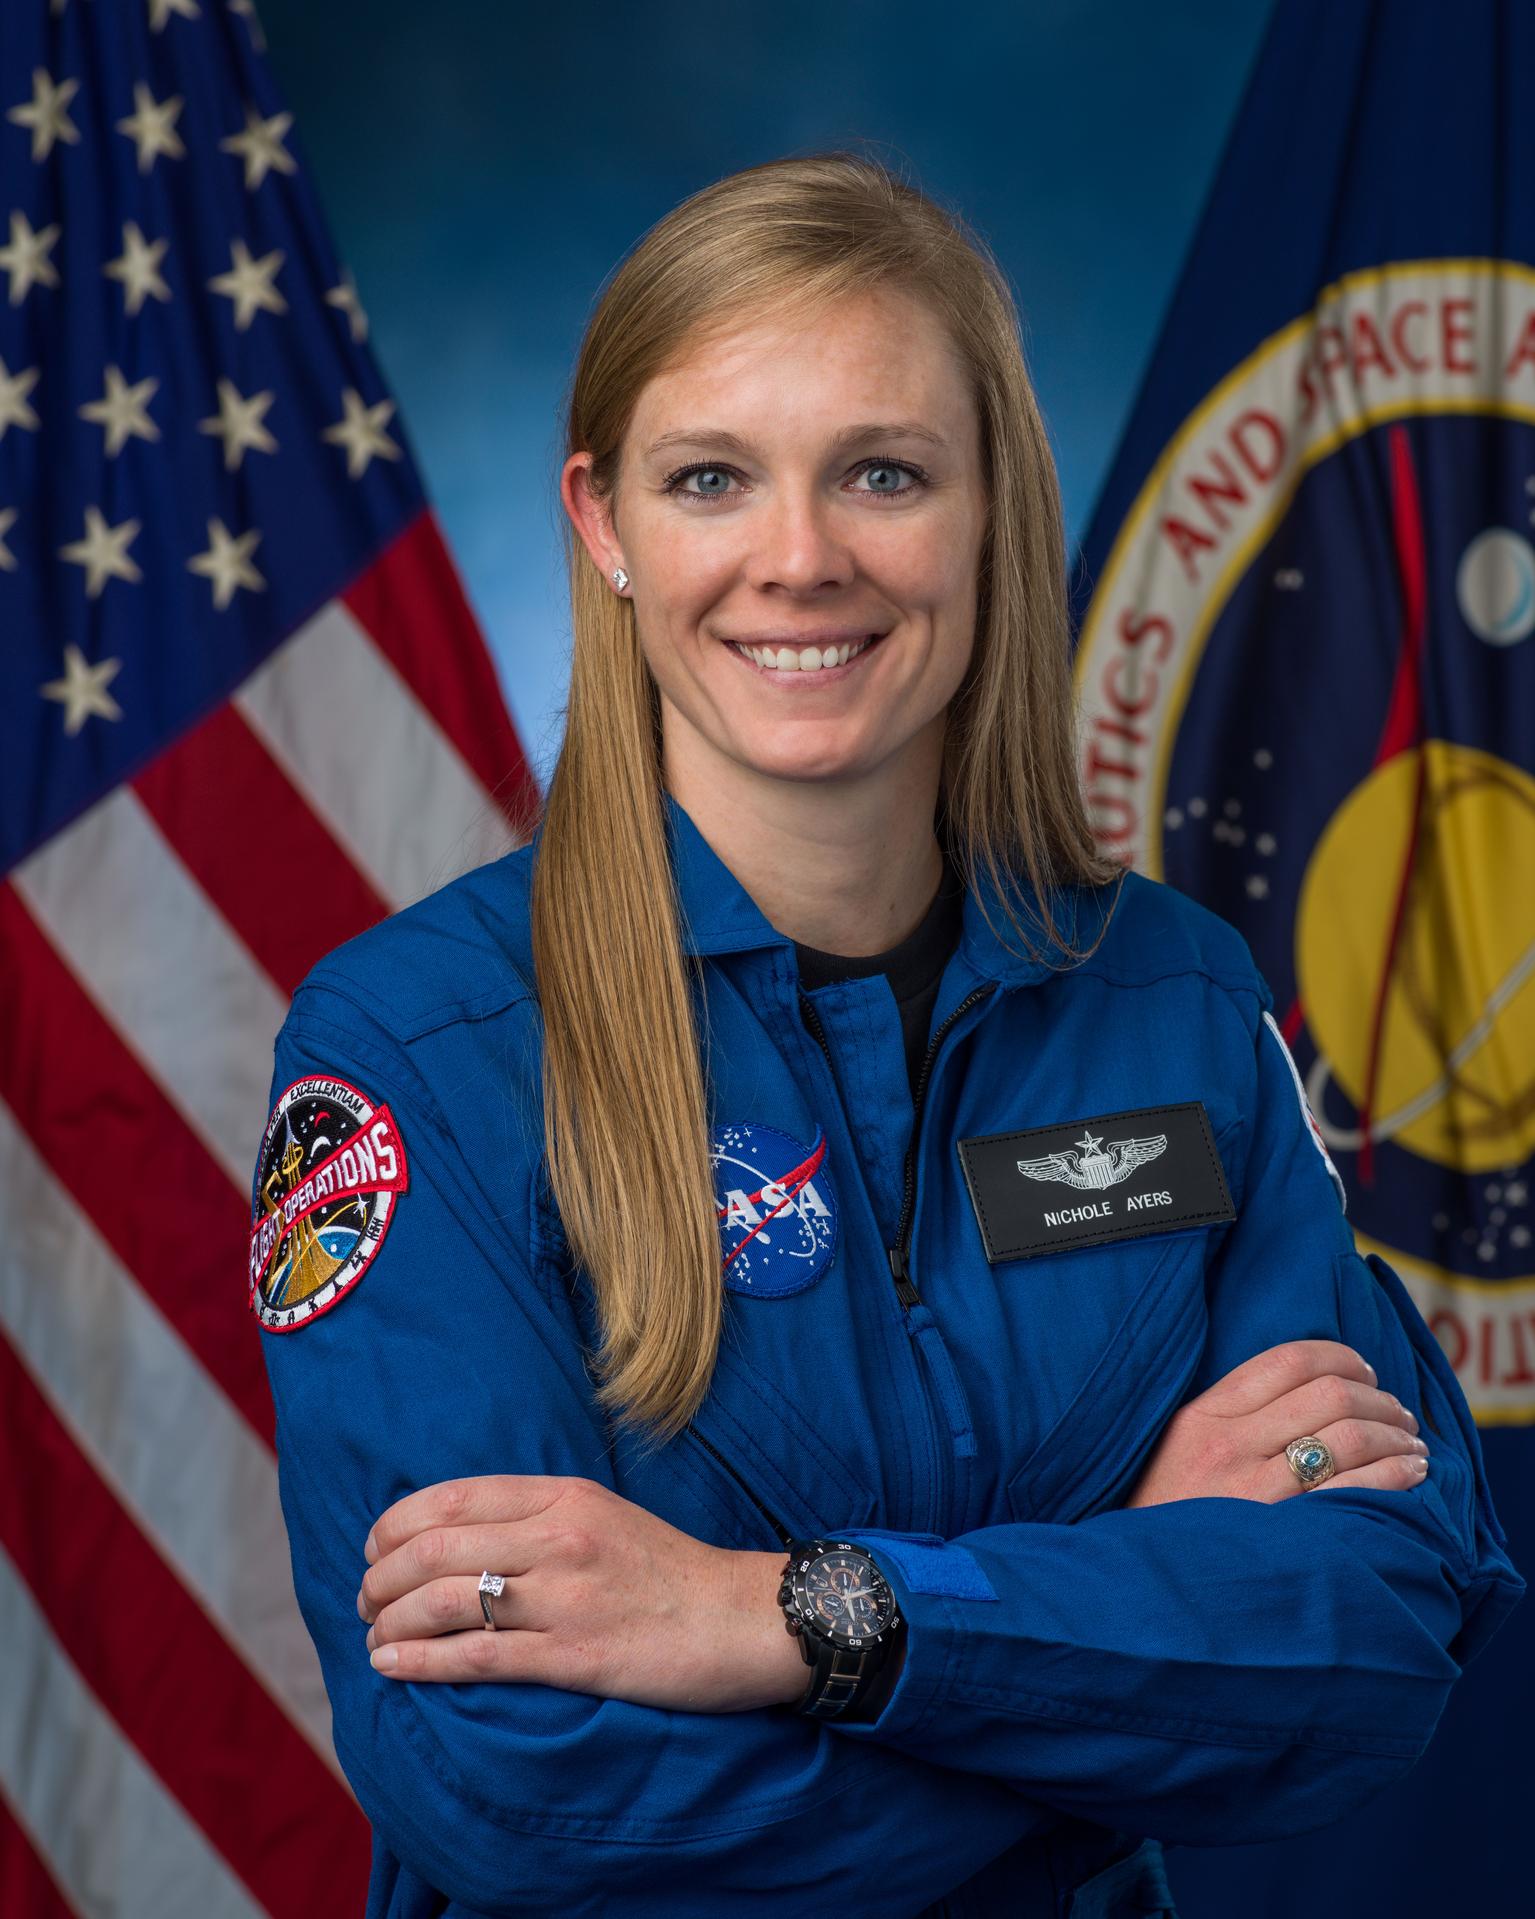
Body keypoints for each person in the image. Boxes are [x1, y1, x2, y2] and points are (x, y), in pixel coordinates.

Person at [247, 152, 1523, 1919]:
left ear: (993, 508)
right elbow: (521, 1787)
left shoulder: (1177, 1004)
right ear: (606, 526)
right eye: (711, 478)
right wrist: (1125, 1615)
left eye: (882, 473)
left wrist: (770, 1620)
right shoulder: (418, 1055)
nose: (800, 559)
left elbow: (1375, 1638)